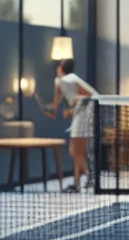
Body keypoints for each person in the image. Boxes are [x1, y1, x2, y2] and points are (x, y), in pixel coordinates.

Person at [42, 58, 99, 192]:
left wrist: (71, 110)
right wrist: (67, 110)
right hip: (85, 112)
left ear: (61, 68)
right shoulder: (71, 80)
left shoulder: (63, 80)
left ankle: (92, 178)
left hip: (85, 113)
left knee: (75, 151)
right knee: (78, 151)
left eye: (58, 66)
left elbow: (91, 96)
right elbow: (55, 109)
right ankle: (77, 184)